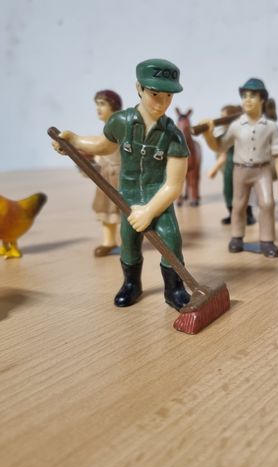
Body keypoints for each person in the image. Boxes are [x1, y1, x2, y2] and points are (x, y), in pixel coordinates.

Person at [52, 59, 191, 311]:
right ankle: (131, 284)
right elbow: (104, 146)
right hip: (127, 197)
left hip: (158, 199)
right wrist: (75, 141)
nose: (161, 103)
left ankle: (174, 289)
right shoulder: (121, 121)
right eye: (155, 94)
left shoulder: (173, 136)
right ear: (139, 88)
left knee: (171, 240)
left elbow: (173, 185)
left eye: (168, 96)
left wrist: (149, 211)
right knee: (128, 242)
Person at [202, 78, 278, 258]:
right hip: (240, 170)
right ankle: (236, 237)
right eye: (244, 96)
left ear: (262, 99)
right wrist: (209, 135)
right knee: (238, 205)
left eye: (252, 96)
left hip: (262, 170)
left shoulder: (271, 127)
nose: (247, 100)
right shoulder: (236, 126)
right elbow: (220, 147)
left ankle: (267, 240)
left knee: (267, 204)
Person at [208, 104, 256, 226]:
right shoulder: (225, 135)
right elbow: (222, 153)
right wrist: (214, 169)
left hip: (244, 167)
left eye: (223, 116)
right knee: (228, 191)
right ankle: (231, 214)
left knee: (245, 191)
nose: (221, 119)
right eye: (221, 116)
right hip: (229, 168)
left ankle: (249, 215)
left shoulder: (243, 132)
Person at [90, 90, 122, 257]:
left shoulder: (118, 128)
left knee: (123, 212)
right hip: (106, 176)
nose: (98, 108)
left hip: (119, 176)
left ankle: (129, 244)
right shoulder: (106, 129)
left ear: (113, 106)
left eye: (102, 104)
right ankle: (109, 242)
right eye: (97, 104)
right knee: (106, 211)